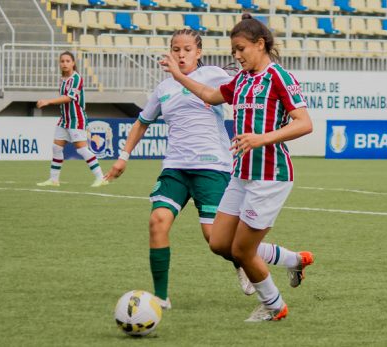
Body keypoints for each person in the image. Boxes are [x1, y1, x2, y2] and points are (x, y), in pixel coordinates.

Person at [105, 29, 311, 310]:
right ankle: (162, 297)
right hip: (188, 168)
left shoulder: (245, 75)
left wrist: (260, 137)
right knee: (186, 232)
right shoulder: (173, 88)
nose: (180, 54)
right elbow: (199, 100)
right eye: (175, 49)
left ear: (198, 52)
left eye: (187, 49)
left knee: (227, 242)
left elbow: (298, 118)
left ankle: (272, 287)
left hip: (230, 168)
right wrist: (124, 156)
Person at [159, 14, 314, 322]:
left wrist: (261, 139)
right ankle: (295, 260)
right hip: (241, 174)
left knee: (243, 251)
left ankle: (274, 306)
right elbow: (208, 94)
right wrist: (178, 75)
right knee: (219, 243)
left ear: (260, 44)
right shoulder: (242, 80)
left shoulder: (279, 77)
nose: (237, 56)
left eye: (241, 48)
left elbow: (304, 123)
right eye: (233, 51)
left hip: (270, 176)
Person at [36, 51, 107, 188]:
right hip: (65, 119)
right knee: (56, 147)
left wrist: (48, 101)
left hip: (76, 119)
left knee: (82, 150)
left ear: (73, 63)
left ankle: (101, 177)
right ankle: (54, 180)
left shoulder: (76, 78)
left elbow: (69, 98)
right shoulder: (63, 79)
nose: (64, 63)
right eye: (62, 61)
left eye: (68, 61)